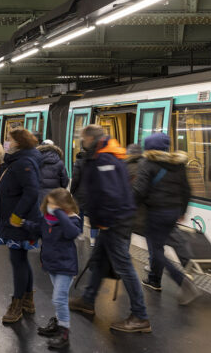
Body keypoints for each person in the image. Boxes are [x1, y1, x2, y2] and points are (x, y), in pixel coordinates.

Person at [69, 125, 151, 333]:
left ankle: (140, 316)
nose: (81, 141)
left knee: (124, 267)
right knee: (98, 261)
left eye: (82, 138)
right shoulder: (102, 154)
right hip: (111, 220)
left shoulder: (105, 159)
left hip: (114, 221)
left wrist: (103, 219)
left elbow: (110, 193)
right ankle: (87, 300)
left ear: (89, 138)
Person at [133, 133, 200, 305]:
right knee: (160, 246)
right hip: (173, 212)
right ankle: (154, 279)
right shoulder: (178, 164)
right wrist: (183, 211)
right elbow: (187, 190)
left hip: (155, 213)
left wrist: (129, 207)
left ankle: (181, 281)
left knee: (156, 250)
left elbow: (140, 191)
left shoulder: (147, 163)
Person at [22, 188, 82, 350]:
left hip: (66, 267)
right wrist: (23, 223)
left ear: (65, 206)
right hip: (51, 264)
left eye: (55, 205)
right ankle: (57, 324)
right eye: (49, 204)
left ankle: (64, 334)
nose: (51, 208)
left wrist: (60, 214)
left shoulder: (72, 220)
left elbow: (72, 233)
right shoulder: (46, 219)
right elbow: (37, 229)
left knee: (59, 298)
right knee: (59, 297)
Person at [0, 128, 42, 324]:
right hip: (16, 219)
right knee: (21, 260)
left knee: (18, 261)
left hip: (19, 221)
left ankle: (17, 304)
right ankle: (28, 300)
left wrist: (17, 215)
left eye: (9, 140)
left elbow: (31, 191)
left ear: (18, 142)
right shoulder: (21, 159)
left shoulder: (24, 162)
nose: (7, 143)